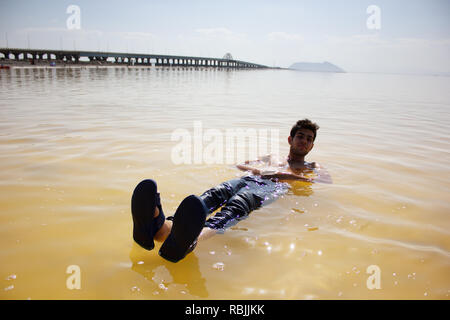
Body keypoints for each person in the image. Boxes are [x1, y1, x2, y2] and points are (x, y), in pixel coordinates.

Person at [131, 119, 331, 263]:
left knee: (236, 207)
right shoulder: (272, 157)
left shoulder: (313, 166)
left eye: (309, 138)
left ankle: (192, 241)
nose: (304, 141)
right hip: (249, 179)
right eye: (300, 136)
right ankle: (159, 226)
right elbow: (239, 165)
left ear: (312, 145)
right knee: (210, 196)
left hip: (271, 187)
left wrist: (285, 176)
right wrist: (259, 170)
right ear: (290, 139)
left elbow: (324, 182)